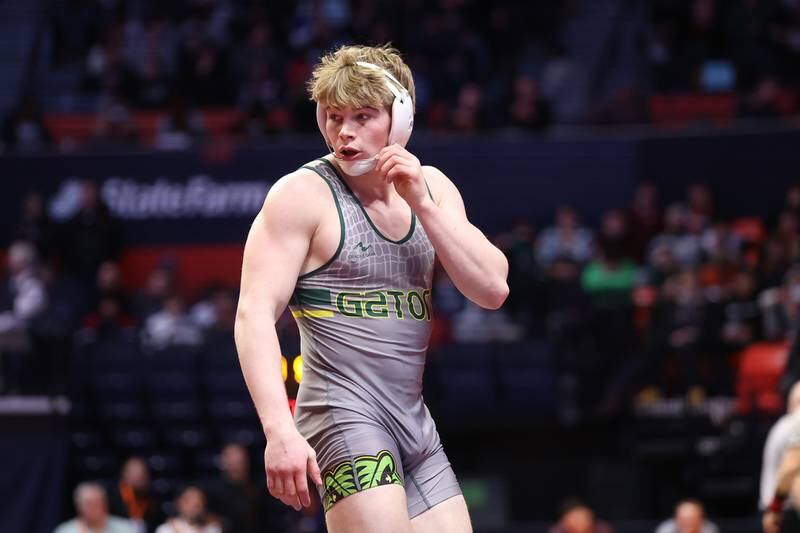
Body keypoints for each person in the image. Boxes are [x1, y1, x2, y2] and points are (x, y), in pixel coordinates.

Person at [234, 44, 509, 533]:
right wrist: (278, 431)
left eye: (363, 116)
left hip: (414, 424)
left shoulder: (433, 187)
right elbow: (253, 314)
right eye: (334, 116)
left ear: (400, 119)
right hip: (342, 417)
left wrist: (423, 205)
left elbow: (492, 288)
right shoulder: (302, 196)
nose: (345, 132)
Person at [106, 457, 164, 533]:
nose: (139, 476)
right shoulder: (110, 497)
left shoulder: (153, 501)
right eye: (134, 471)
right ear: (124, 473)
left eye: (143, 472)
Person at [54, 482, 135, 533]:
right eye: (89, 503)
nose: (95, 507)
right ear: (78, 507)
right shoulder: (65, 530)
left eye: (98, 502)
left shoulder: (125, 528)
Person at [154, 485, 221, 533]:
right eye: (189, 501)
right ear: (178, 503)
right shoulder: (166, 529)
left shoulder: (212, 529)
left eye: (199, 502)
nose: (194, 506)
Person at [654, 499, 719, 533]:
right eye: (683, 519)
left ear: (701, 519)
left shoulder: (709, 530)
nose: (687, 523)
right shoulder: (666, 530)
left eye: (691, 519)